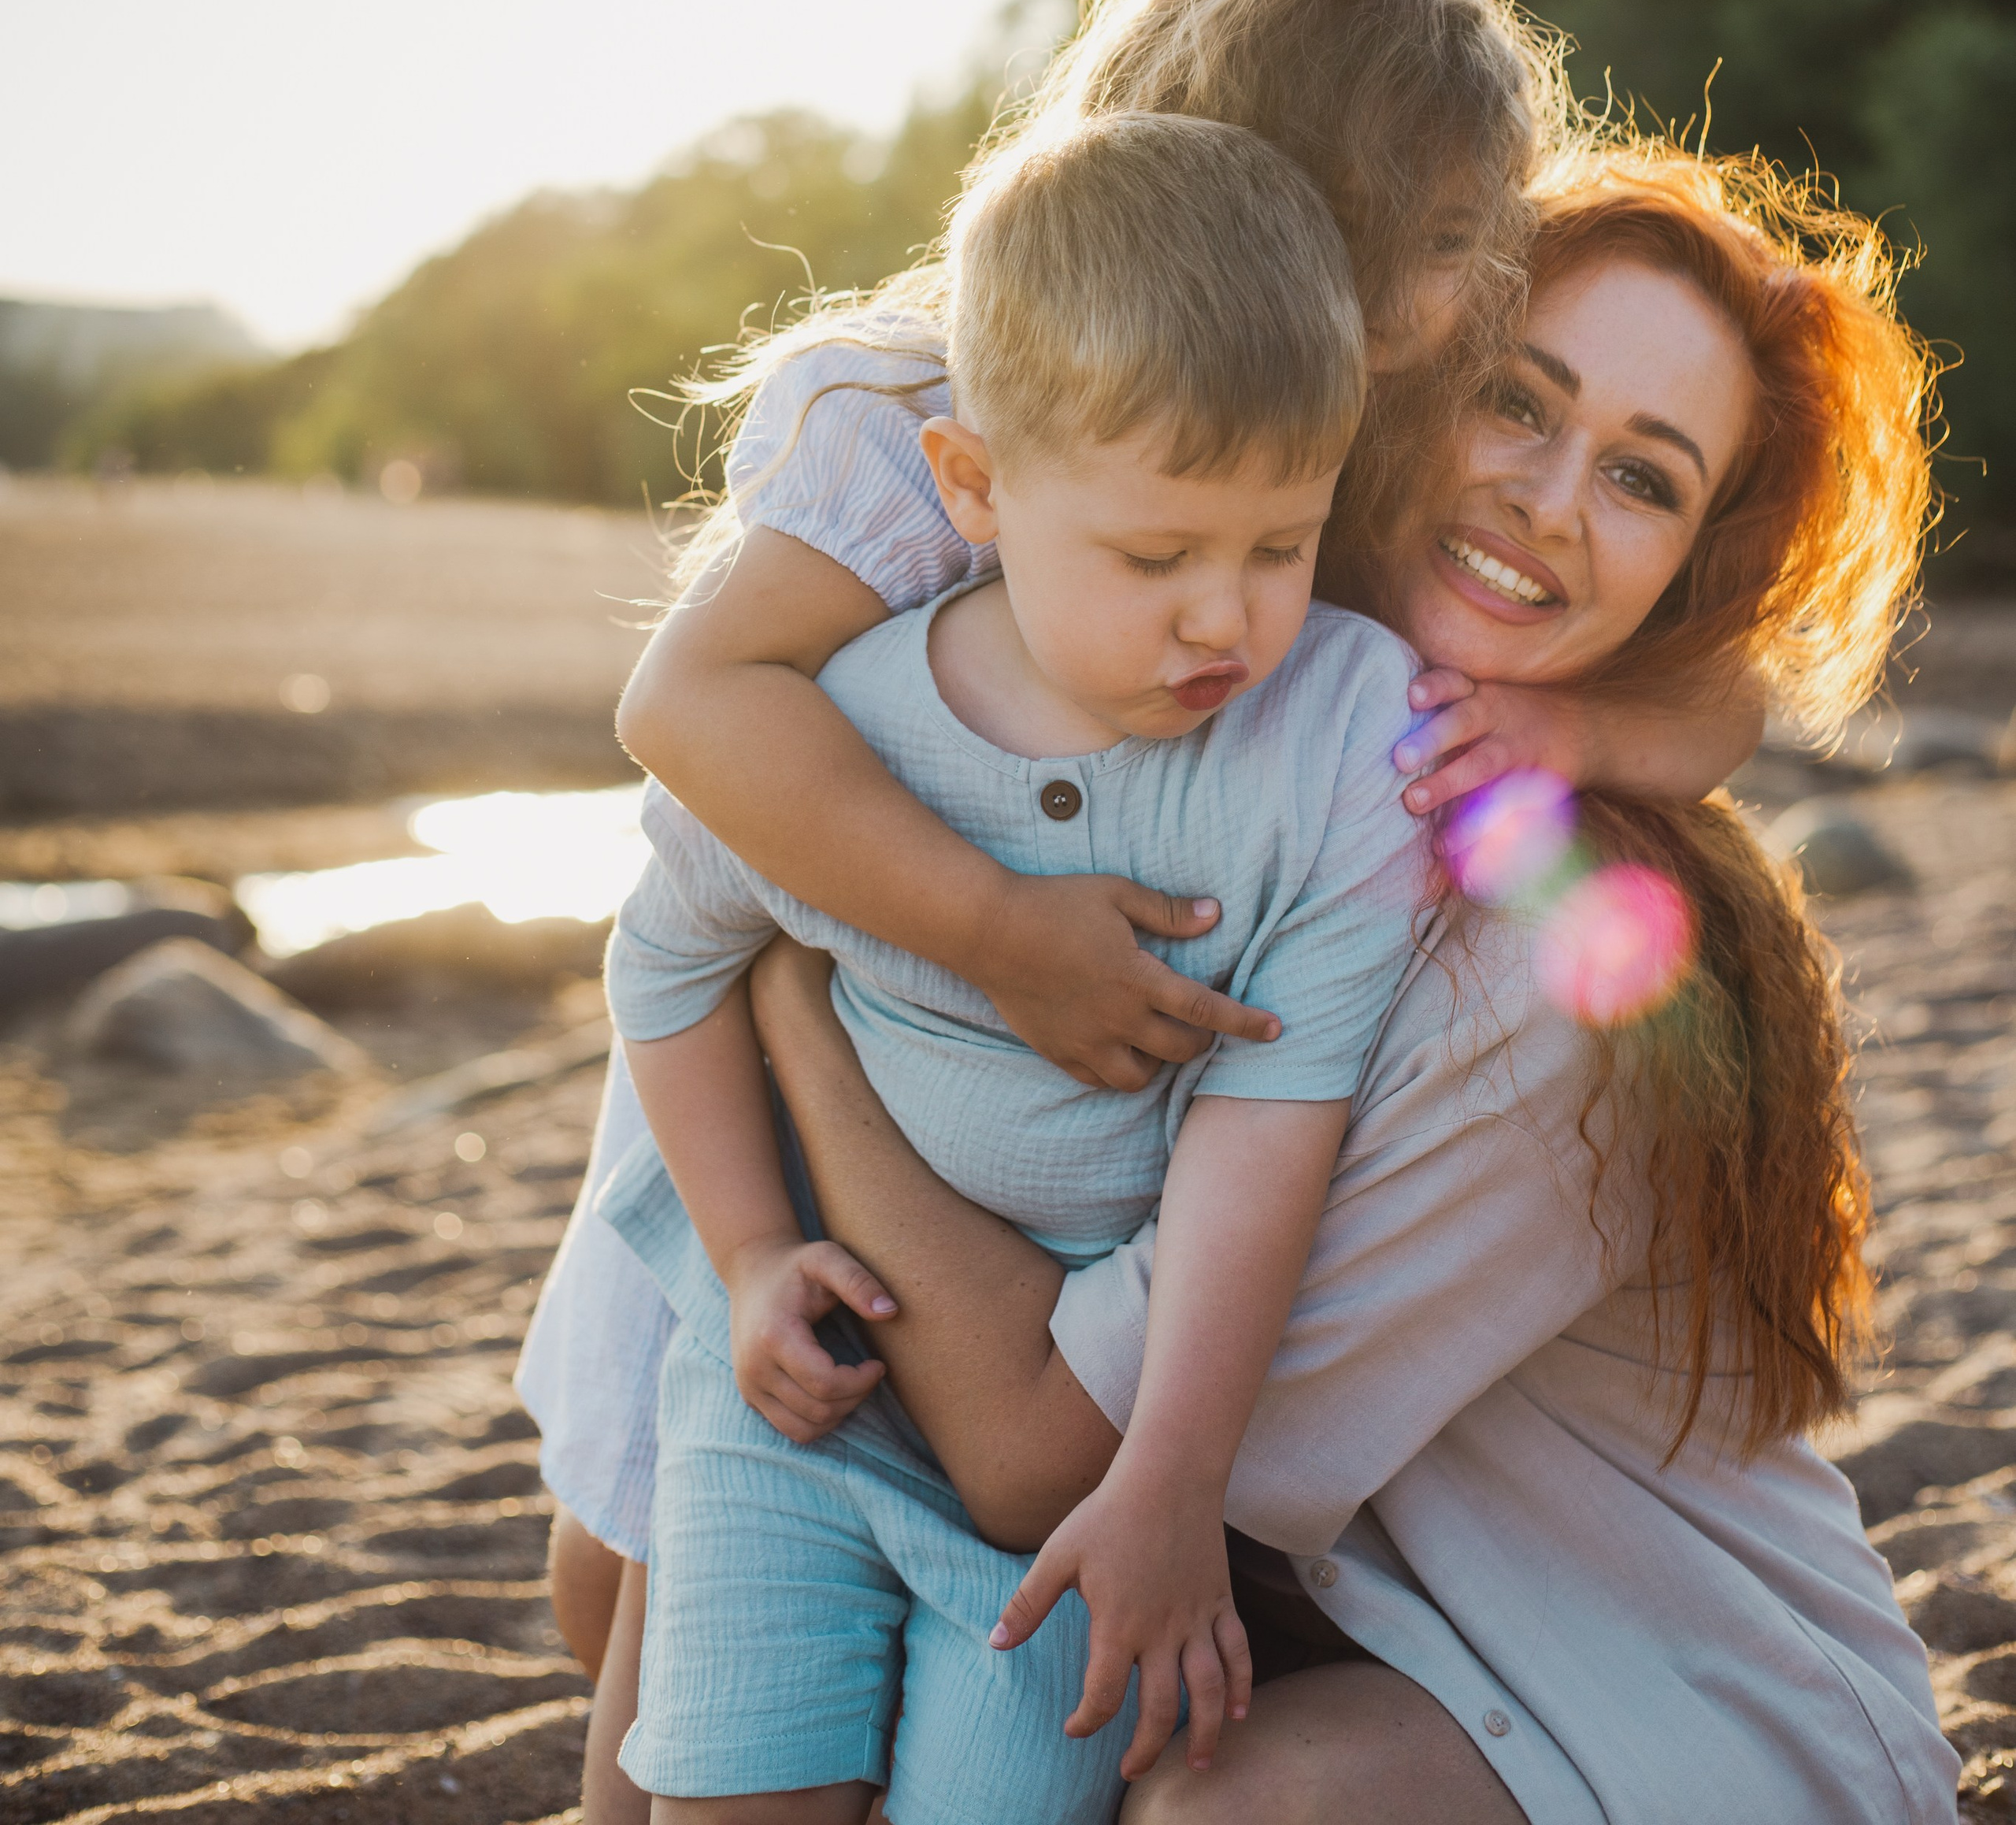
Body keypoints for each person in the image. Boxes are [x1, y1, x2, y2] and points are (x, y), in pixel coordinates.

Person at [721, 149, 1951, 1823]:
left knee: (1226, 1809)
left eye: (1642, 483)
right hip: (1390, 1631)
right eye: (1518, 402)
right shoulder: (1225, 694)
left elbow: (1029, 1458)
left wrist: (797, 982)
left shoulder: (1556, 961)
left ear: (1685, 573)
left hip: (1672, 1699)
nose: (1542, 498)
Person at [598, 113, 1425, 1818]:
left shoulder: (1330, 747)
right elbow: (667, 970)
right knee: (730, 1791)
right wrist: (750, 1255)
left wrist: (1175, 1483)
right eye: (1155, 557)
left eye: (1281, 547)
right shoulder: (840, 730)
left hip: (1063, 1456)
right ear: (973, 487)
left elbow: (1268, 1121)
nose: (1224, 620)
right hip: (791, 1402)